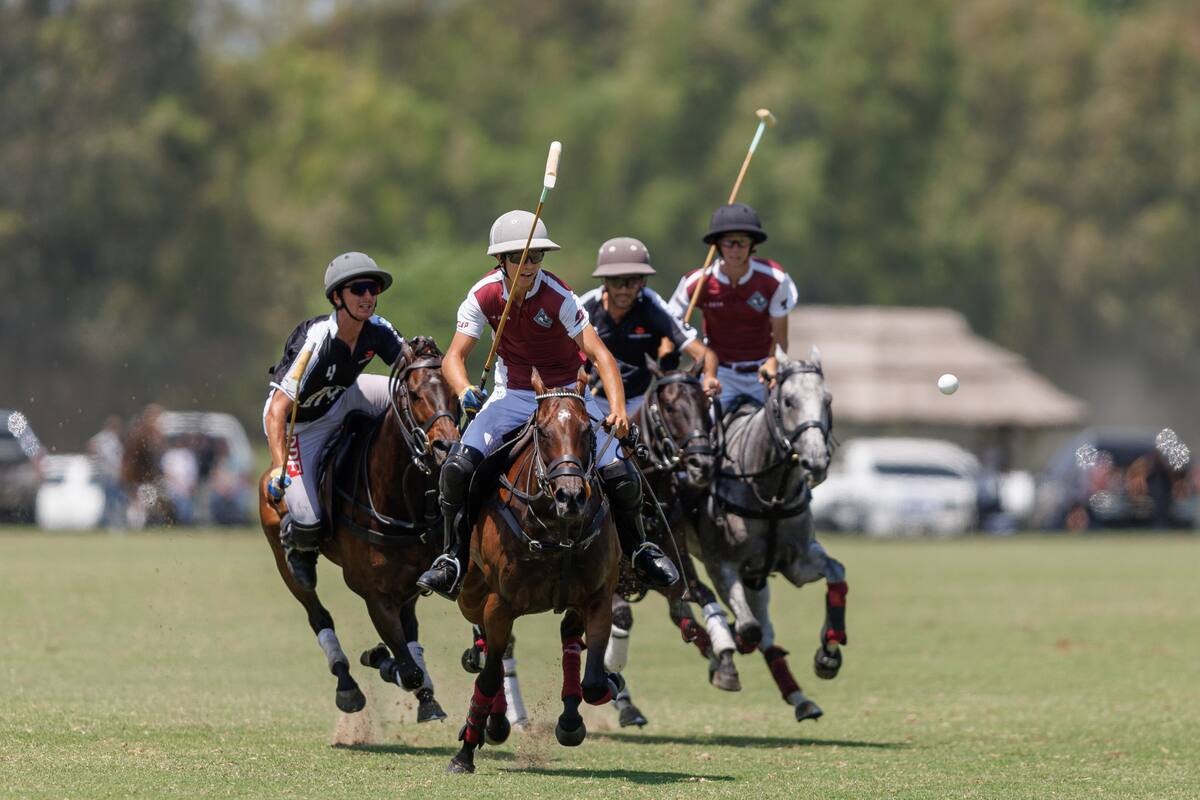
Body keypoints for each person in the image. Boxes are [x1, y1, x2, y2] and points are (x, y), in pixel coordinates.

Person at [415, 211, 680, 600]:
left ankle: (639, 549)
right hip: (514, 394)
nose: (530, 266)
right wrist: (465, 388)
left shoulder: (560, 297)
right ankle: (453, 557)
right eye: (521, 258)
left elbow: (602, 357)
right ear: (501, 261)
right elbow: (454, 357)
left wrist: (618, 410)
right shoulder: (484, 295)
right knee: (457, 468)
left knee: (620, 473)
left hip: (568, 395)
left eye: (537, 257)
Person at [263, 252, 406, 590]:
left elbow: (415, 372)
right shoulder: (315, 342)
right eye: (358, 289)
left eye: (372, 289)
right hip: (299, 426)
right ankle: (297, 546)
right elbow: (276, 410)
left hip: (343, 397)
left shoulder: (378, 330)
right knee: (309, 521)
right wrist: (276, 466)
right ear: (337, 297)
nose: (368, 297)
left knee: (410, 398)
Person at [668, 203, 798, 410]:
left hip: (762, 373)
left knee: (792, 429)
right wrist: (698, 354)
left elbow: (781, 337)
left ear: (752, 244)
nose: (735, 250)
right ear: (718, 245)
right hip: (720, 374)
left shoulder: (774, 279)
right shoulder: (698, 282)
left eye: (742, 242)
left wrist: (774, 361)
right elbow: (670, 324)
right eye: (729, 242)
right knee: (697, 433)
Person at [578, 237, 719, 416]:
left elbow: (705, 355)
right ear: (604, 281)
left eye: (632, 281)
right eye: (616, 281)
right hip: (593, 399)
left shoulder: (653, 306)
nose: (623, 289)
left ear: (643, 281)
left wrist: (710, 377)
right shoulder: (586, 307)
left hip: (637, 402)